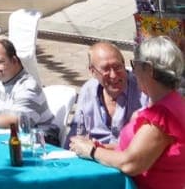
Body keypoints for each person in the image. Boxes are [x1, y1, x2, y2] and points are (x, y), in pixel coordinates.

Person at [69, 35, 185, 187]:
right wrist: (101, 147)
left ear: (148, 69)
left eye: (135, 64)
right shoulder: (167, 104)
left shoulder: (161, 116)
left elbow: (131, 163)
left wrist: (91, 151)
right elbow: (136, 148)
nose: (133, 71)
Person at [67, 40, 147, 146]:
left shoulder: (143, 91)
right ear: (92, 71)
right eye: (106, 69)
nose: (113, 75)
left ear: (124, 64)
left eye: (118, 67)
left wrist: (97, 150)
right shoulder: (88, 90)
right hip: (92, 158)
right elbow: (76, 134)